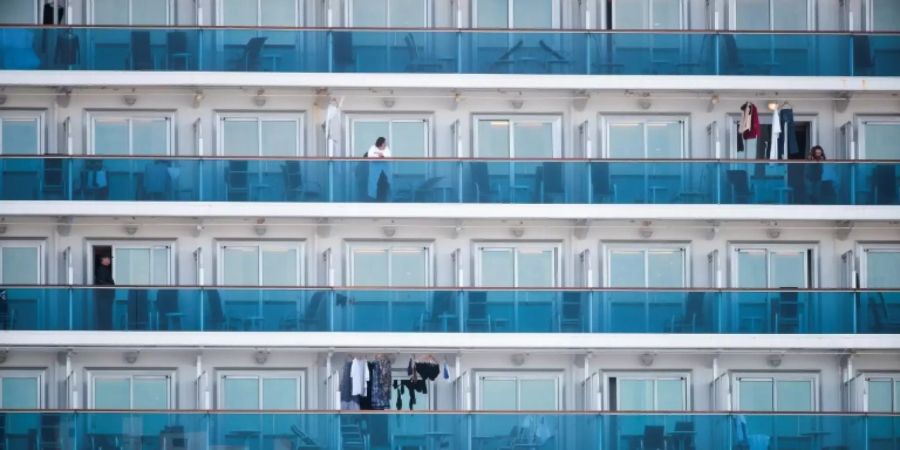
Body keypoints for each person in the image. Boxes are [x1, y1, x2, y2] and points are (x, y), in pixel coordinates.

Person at [365, 137, 391, 201]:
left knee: (384, 189)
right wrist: (379, 156)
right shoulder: (372, 148)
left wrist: (382, 156)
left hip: (384, 172)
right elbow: (370, 157)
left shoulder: (387, 149)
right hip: (374, 171)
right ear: (382, 144)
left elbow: (388, 157)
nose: (386, 144)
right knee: (373, 187)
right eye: (385, 143)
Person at [94, 255, 115, 330]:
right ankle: (104, 329)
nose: (110, 260)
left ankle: (107, 329)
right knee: (104, 314)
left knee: (107, 314)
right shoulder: (101, 269)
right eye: (108, 258)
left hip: (106, 297)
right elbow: (101, 282)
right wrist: (111, 286)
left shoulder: (105, 269)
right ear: (103, 259)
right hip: (103, 296)